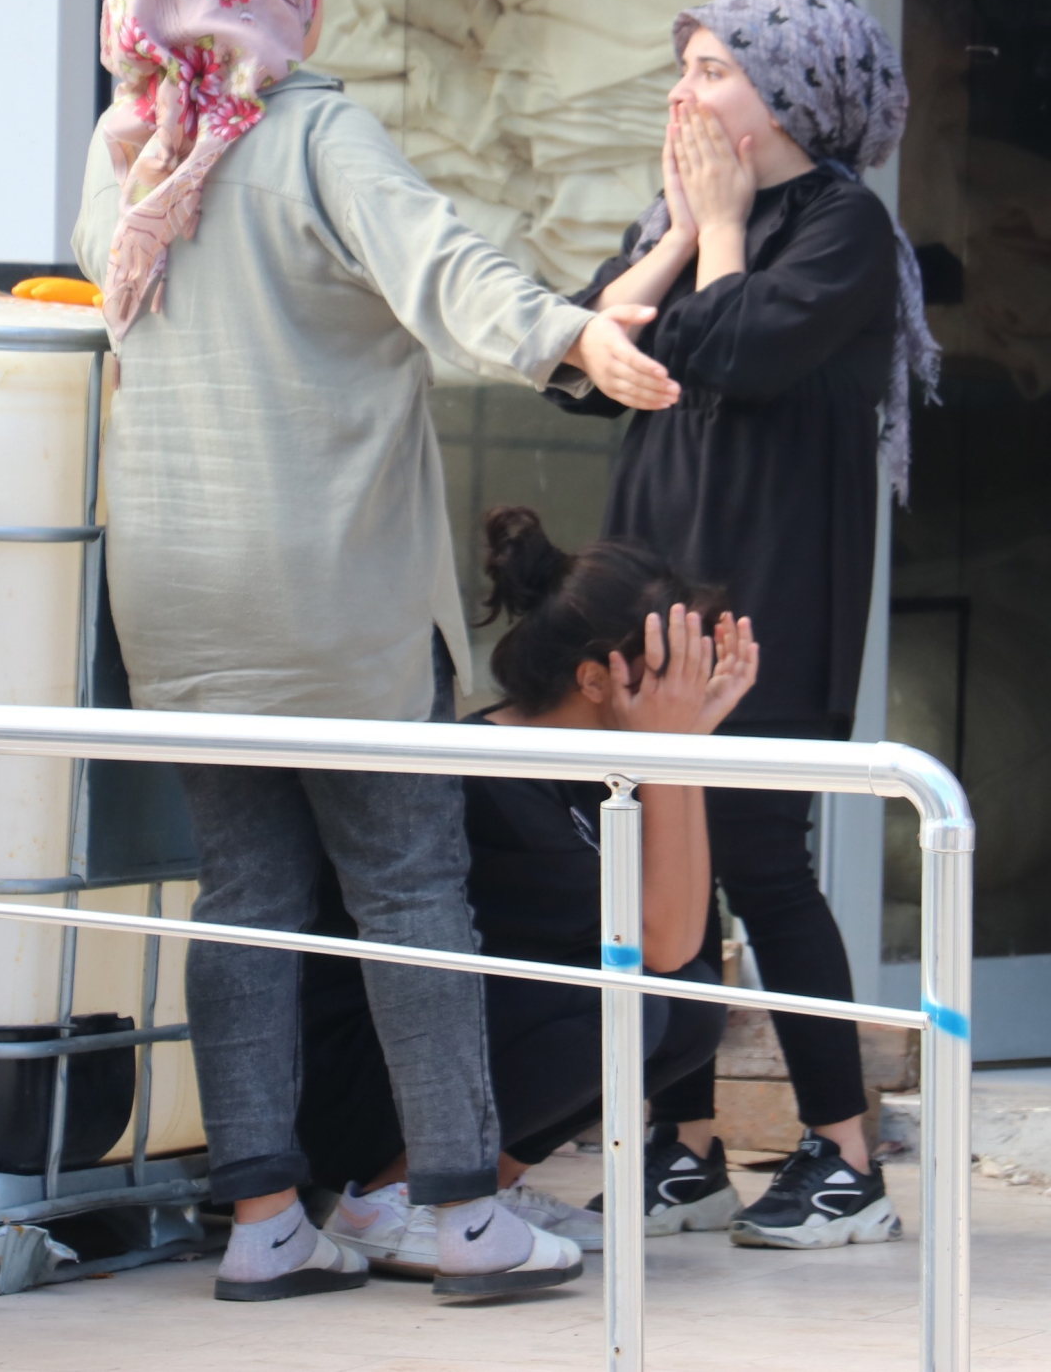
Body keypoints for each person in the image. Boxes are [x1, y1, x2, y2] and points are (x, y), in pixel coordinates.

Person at [69, 0, 677, 1304]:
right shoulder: (310, 134)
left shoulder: (128, 150)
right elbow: (438, 265)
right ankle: (459, 1210)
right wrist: (571, 339)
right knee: (410, 893)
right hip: (335, 596)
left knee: (245, 899)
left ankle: (264, 1221)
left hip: (181, 596)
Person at [559, 0, 934, 1250]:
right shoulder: (680, 217)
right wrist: (678, 235)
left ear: (789, 95)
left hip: (767, 595)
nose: (685, 93)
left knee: (762, 863)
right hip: (653, 580)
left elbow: (739, 350)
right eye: (688, 67)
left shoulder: (844, 227)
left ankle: (846, 1161)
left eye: (713, 70)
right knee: (659, 872)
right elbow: (585, 365)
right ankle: (688, 1146)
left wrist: (715, 233)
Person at [295, 507, 761, 1258]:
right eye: (668, 669)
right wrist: (675, 751)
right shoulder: (494, 778)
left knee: (688, 1007)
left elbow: (680, 949)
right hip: (355, 1080)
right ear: (594, 678)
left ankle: (484, 1187)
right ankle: (390, 1199)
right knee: (630, 1004)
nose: (686, 686)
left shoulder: (599, 759)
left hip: (437, 1065)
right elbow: (665, 940)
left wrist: (684, 749)